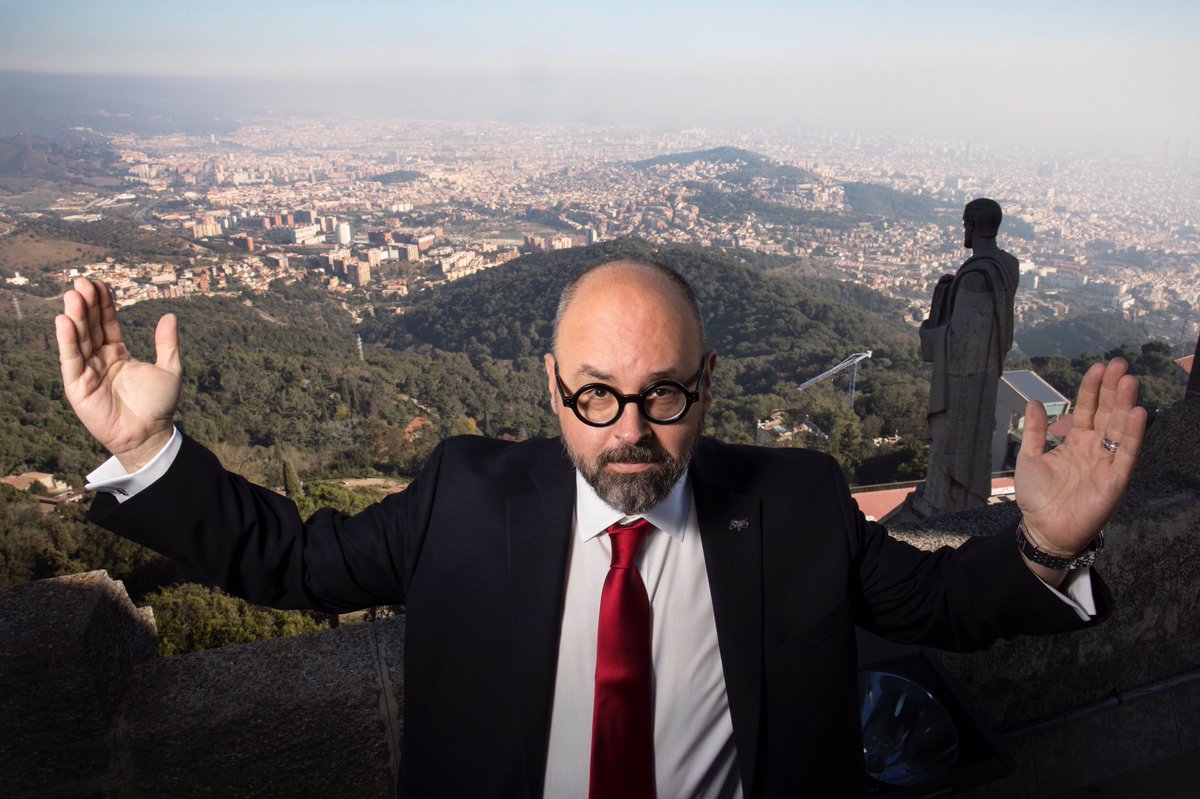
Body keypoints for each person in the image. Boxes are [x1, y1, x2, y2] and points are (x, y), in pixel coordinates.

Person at [55, 260, 1146, 797]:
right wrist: (149, 450)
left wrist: (1048, 543)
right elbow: (292, 559)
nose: (629, 431)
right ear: (551, 387)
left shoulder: (797, 504)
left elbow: (943, 603)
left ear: (706, 385)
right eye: (595, 395)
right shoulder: (462, 498)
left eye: (662, 393)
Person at [910, 198, 1021, 518]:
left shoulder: (974, 277)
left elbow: (959, 341)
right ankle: (963, 498)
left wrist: (931, 322)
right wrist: (950, 296)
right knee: (976, 442)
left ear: (970, 226)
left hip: (963, 381)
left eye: (964, 224)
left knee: (951, 443)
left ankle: (941, 502)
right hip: (988, 373)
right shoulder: (1008, 266)